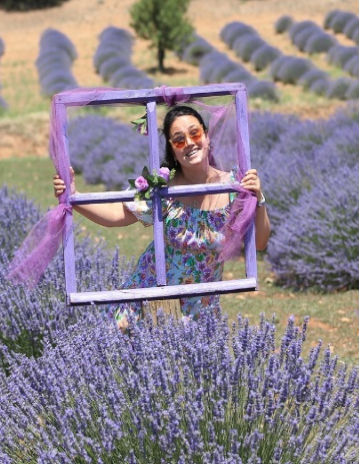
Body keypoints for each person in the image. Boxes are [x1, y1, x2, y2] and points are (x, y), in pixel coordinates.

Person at [53, 105, 271, 328]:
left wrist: (258, 198)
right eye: (179, 139)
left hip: (199, 308)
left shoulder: (234, 185)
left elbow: (260, 242)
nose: (189, 143)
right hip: (148, 297)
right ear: (172, 149)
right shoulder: (164, 188)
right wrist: (75, 197)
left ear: (206, 136)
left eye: (194, 133)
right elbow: (118, 214)